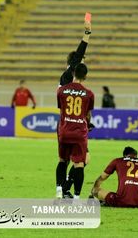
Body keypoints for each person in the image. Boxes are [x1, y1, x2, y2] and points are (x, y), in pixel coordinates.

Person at [58, 20, 93, 198]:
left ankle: (64, 189)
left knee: (77, 161)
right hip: (71, 125)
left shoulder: (68, 79)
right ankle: (65, 188)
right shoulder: (68, 75)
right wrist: (87, 35)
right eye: (81, 60)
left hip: (69, 125)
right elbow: (80, 53)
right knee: (81, 160)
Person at [56, 63, 95, 199]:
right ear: (85, 76)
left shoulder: (61, 91)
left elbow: (62, 110)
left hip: (65, 130)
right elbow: (87, 114)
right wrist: (88, 123)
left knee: (62, 160)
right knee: (79, 164)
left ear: (73, 73)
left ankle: (59, 192)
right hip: (79, 132)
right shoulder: (89, 94)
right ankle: (77, 197)